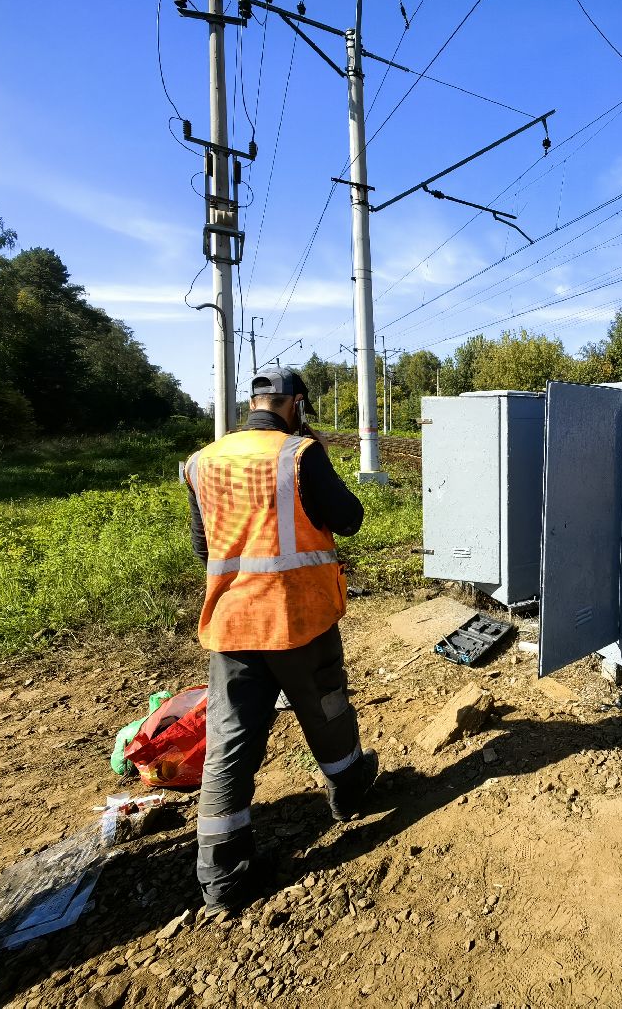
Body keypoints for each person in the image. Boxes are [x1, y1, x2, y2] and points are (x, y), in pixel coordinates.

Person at [182, 365, 377, 915]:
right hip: (297, 619)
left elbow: (204, 549)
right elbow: (350, 517)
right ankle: (350, 792)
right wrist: (311, 446)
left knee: (232, 739)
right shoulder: (298, 454)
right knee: (327, 708)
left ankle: (220, 876)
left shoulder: (203, 461)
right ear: (295, 403)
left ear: (253, 402)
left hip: (231, 625)